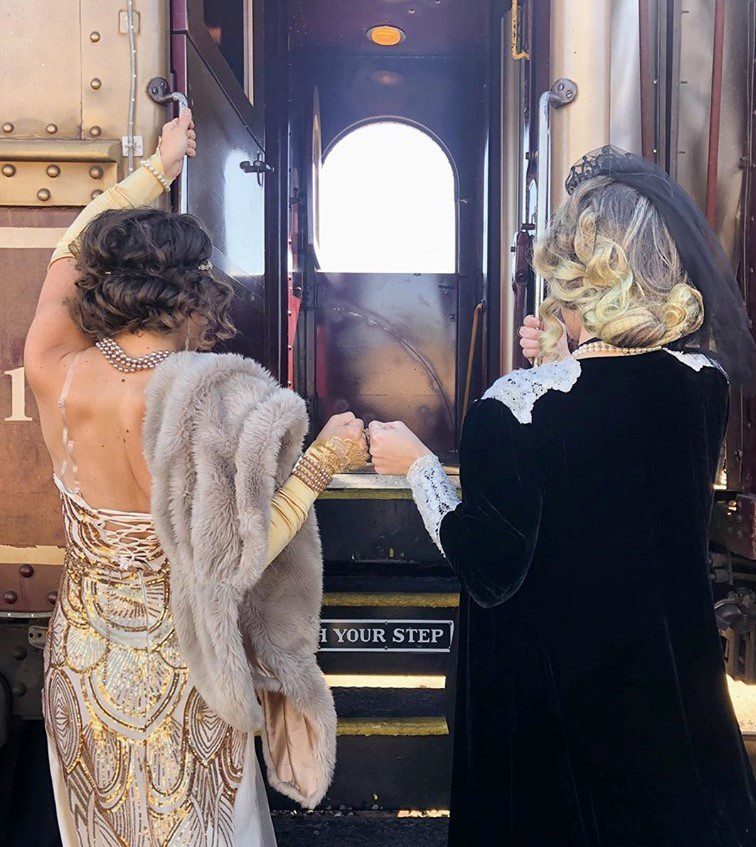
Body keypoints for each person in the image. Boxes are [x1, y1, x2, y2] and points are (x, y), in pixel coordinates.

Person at [368, 147, 756, 846]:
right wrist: (566, 355)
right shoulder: (704, 384)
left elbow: (489, 568)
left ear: (573, 279)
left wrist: (417, 464)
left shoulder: (512, 406)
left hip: (556, 721)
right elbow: (614, 446)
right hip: (664, 698)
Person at [24, 110, 367, 847]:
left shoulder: (54, 368)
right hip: (184, 671)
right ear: (191, 298)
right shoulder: (205, 396)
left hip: (81, 662)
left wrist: (157, 170)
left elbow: (66, 247)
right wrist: (324, 461)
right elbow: (239, 553)